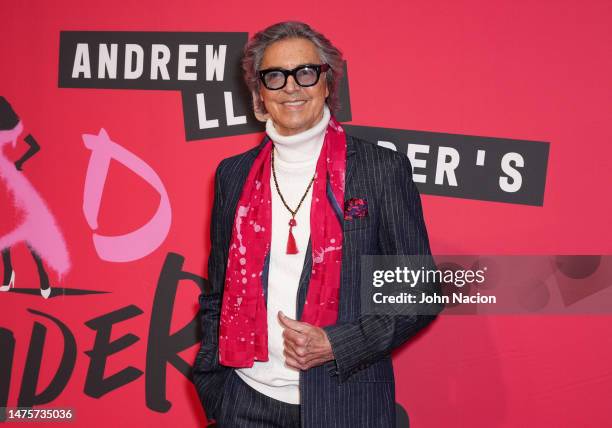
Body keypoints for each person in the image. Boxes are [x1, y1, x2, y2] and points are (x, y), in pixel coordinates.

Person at [192, 21, 443, 427]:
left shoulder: (380, 170)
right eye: (275, 76)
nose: (291, 87)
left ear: (326, 83)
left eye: (305, 72)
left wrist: (335, 343)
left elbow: (419, 292)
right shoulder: (232, 175)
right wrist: (216, 385)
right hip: (245, 400)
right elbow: (218, 291)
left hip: (345, 404)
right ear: (260, 93)